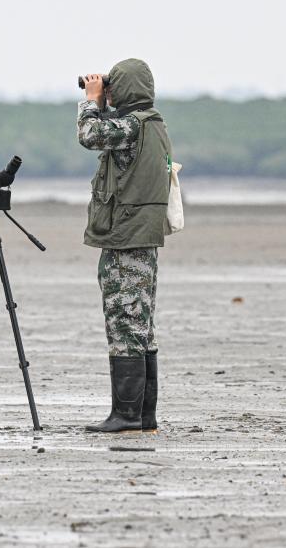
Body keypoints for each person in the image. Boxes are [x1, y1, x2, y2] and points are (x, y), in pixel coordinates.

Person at [77, 58, 173, 433]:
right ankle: (143, 416)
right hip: (141, 237)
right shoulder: (154, 124)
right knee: (140, 326)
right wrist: (104, 101)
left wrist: (90, 100)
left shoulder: (132, 126)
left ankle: (127, 416)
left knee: (124, 324)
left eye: (113, 86)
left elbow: (89, 135)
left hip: (126, 239)